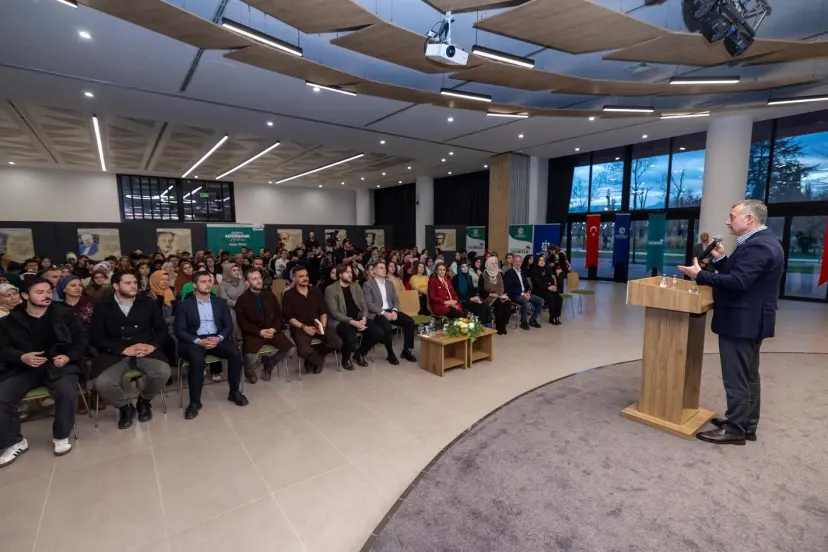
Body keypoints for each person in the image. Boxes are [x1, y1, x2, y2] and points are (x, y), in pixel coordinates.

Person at [678, 200, 784, 446]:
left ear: (750, 219)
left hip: (742, 322)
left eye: (732, 216)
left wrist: (701, 275)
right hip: (751, 320)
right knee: (748, 376)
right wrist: (721, 260)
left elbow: (737, 282)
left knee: (736, 378)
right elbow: (743, 275)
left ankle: (735, 429)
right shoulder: (763, 241)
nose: (727, 221)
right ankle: (747, 425)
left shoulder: (758, 246)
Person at [0, 279, 89, 465]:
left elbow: (82, 339)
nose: (46, 295)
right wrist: (21, 357)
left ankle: (61, 436)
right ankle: (14, 442)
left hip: (58, 365)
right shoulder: (10, 321)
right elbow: (3, 349)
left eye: (48, 291)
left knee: (66, 391)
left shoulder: (63, 314)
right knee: (2, 397)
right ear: (25, 296)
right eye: (39, 292)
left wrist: (68, 357)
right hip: (25, 367)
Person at [89, 272, 171, 429]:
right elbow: (96, 337)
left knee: (162, 372)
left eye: (134, 282)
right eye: (128, 283)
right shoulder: (103, 306)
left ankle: (144, 401)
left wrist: (152, 346)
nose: (133, 286)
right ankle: (125, 407)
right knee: (102, 383)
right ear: (116, 286)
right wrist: (123, 350)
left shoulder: (147, 303)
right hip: (115, 353)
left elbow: (161, 330)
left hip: (144, 349)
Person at [175, 271, 249, 420]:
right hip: (194, 340)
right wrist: (198, 341)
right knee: (197, 360)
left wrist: (219, 338)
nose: (208, 284)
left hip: (216, 338)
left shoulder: (219, 302)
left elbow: (228, 326)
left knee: (235, 353)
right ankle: (195, 402)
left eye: (209, 281)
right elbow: (180, 330)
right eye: (203, 282)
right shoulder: (185, 305)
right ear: (194, 285)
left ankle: (234, 392)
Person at [235, 268, 295, 383]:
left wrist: (274, 328)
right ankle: (248, 369)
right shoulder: (242, 300)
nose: (258, 281)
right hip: (254, 333)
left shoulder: (269, 295)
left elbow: (279, 316)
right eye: (254, 279)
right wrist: (259, 332)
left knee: (291, 350)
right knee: (250, 358)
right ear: (248, 282)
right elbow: (243, 323)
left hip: (272, 330)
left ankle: (269, 363)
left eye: (259, 278)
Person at [282, 265, 342, 374]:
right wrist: (304, 327)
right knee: (303, 350)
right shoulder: (288, 295)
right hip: (300, 327)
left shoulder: (316, 291)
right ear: (294, 279)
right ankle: (317, 361)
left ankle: (314, 357)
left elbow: (323, 311)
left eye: (306, 275)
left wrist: (323, 325)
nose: (305, 278)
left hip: (318, 324)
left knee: (337, 342)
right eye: (301, 276)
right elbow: (289, 318)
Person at [325, 264, 384, 370]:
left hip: (358, 318)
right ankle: (346, 358)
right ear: (340, 274)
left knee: (378, 332)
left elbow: (363, 305)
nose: (350, 274)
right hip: (341, 321)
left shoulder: (355, 286)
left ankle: (359, 353)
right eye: (347, 272)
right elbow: (334, 312)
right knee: (351, 338)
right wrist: (352, 322)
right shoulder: (331, 289)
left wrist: (364, 318)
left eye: (351, 272)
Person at [362, 261, 417, 365]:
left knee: (410, 322)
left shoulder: (389, 284)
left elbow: (395, 300)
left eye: (384, 268)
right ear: (374, 271)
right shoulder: (368, 285)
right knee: (387, 328)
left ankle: (407, 350)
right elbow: (369, 303)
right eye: (381, 268)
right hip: (377, 313)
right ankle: (390, 353)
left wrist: (395, 310)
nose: (384, 270)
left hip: (391, 310)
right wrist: (383, 312)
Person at [504, 255, 544, 330]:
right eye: (516, 261)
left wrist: (528, 292)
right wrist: (523, 294)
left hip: (525, 294)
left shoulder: (523, 272)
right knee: (525, 302)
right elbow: (509, 288)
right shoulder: (508, 273)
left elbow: (527, 285)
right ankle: (523, 322)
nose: (518, 263)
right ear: (513, 262)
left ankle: (533, 320)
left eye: (519, 261)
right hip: (514, 295)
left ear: (521, 262)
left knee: (541, 301)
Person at [479, 257, 512, 335]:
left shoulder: (500, 273)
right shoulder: (483, 275)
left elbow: (504, 286)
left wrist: (502, 294)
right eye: (492, 263)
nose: (494, 265)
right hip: (488, 296)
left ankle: (503, 325)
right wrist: (491, 294)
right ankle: (499, 326)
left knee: (508, 303)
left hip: (500, 295)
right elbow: (481, 290)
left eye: (495, 263)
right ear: (488, 264)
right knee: (499, 304)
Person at [529, 256, 563, 325]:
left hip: (547, 289)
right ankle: (552, 318)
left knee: (559, 298)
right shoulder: (533, 271)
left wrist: (553, 286)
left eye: (543, 260)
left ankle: (556, 316)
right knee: (552, 298)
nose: (542, 262)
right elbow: (538, 283)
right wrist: (548, 287)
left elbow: (551, 280)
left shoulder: (547, 269)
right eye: (540, 260)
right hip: (538, 290)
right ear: (537, 261)